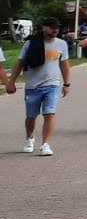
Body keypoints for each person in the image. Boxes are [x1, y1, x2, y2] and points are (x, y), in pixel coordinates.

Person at [5, 20, 70, 155]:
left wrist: (66, 84)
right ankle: (30, 138)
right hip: (33, 86)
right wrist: (11, 82)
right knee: (31, 116)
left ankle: (45, 144)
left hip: (52, 84)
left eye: (57, 28)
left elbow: (64, 65)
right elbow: (20, 63)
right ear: (44, 27)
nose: (55, 30)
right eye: (52, 27)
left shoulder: (62, 44)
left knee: (49, 113)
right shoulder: (31, 43)